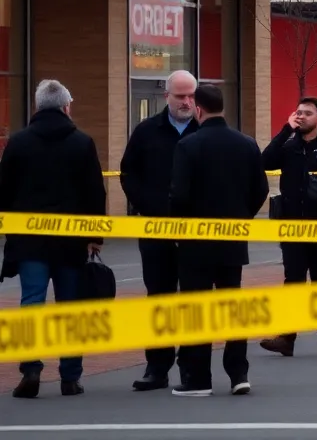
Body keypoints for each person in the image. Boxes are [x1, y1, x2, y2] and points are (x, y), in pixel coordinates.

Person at [0, 80, 106, 399]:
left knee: (32, 302)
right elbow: (94, 192)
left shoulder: (17, 143)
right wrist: (94, 236)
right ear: (65, 106)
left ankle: (31, 369)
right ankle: (70, 377)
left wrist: (11, 227)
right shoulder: (82, 142)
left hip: (30, 239)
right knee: (69, 307)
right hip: (71, 241)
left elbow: (4, 189)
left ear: (37, 107)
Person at [168, 84, 269, 397]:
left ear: (198, 109)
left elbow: (180, 195)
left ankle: (198, 378)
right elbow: (260, 190)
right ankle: (238, 373)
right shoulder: (247, 144)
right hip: (232, 240)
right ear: (222, 107)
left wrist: (179, 228)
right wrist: (241, 219)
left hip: (196, 242)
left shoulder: (189, 145)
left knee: (197, 308)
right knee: (231, 305)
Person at [119, 69, 198, 392]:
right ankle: (157, 367)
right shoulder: (147, 131)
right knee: (159, 297)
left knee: (194, 299)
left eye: (191, 95)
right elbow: (128, 172)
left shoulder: (206, 130)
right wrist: (147, 206)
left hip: (197, 231)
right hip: (156, 228)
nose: (187, 101)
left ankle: (193, 367)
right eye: (180, 96)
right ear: (166, 96)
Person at [259, 97, 317, 358]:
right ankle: (286, 338)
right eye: (298, 112)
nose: (301, 116)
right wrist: (285, 130)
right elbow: (264, 162)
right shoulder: (289, 146)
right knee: (293, 282)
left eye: (307, 113)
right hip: (293, 227)